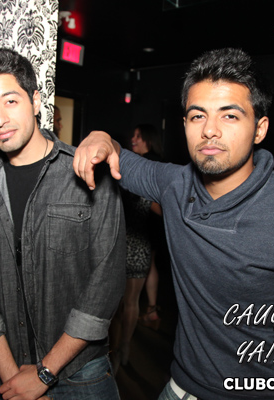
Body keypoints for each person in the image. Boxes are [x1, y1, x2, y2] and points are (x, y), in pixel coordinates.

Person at [73, 48, 274, 399]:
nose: (209, 130)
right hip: (179, 388)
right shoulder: (174, 185)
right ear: (185, 125)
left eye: (230, 116)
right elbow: (118, 156)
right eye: (197, 116)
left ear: (260, 129)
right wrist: (101, 137)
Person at [0, 48, 125, 400]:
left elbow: (105, 286)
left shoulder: (88, 173)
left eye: (10, 101)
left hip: (81, 374)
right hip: (5, 373)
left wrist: (44, 373)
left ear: (35, 101)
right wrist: (15, 382)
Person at [112, 123, 163, 370]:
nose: (134, 139)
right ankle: (123, 348)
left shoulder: (127, 171)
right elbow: (162, 210)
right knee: (129, 302)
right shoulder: (150, 174)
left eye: (138, 136)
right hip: (134, 244)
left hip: (124, 243)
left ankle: (117, 351)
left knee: (119, 303)